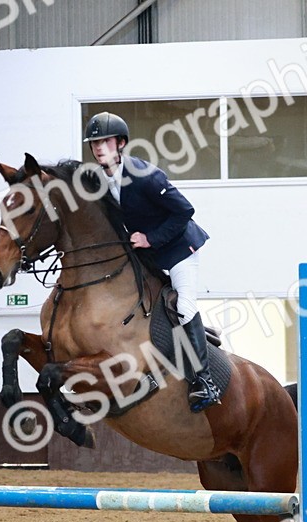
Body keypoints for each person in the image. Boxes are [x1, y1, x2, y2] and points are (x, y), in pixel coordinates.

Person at [83, 111, 221, 412]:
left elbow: (185, 211)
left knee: (183, 307)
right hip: (146, 253)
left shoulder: (145, 175)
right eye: (94, 143)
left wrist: (151, 238)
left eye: (104, 141)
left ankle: (205, 382)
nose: (98, 148)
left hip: (178, 248)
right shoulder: (96, 181)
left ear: (120, 143)